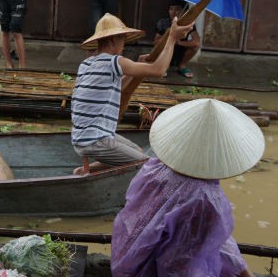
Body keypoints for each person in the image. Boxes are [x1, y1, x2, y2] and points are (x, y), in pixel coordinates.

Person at [110, 98, 268, 277]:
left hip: (128, 263)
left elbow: (215, 238)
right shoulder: (204, 200)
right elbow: (175, 269)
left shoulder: (156, 165)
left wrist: (243, 271)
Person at [71, 13, 194, 175]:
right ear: (114, 40)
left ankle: (83, 171)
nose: (124, 45)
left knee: (137, 150)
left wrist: (139, 65)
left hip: (82, 137)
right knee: (149, 166)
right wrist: (172, 38)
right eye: (123, 40)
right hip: (96, 140)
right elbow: (159, 69)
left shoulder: (86, 64)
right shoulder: (115, 62)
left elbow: (118, 89)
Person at [155, 0, 201, 79]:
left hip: (180, 51)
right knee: (159, 46)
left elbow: (197, 42)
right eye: (171, 9)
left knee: (195, 47)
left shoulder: (188, 24)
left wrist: (178, 42)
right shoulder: (162, 23)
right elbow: (156, 42)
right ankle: (164, 66)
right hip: (165, 51)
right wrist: (168, 34)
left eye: (177, 9)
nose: (173, 12)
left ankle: (182, 66)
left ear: (184, 12)